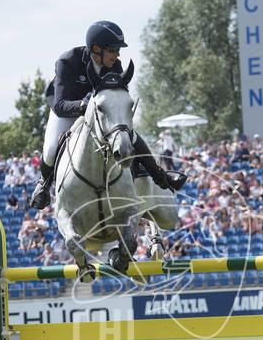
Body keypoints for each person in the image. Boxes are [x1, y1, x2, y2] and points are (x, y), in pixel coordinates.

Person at [31, 21, 186, 209]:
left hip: (99, 113)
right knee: (50, 149)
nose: (118, 54)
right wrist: (82, 105)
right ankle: (43, 184)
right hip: (67, 110)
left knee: (128, 135)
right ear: (96, 49)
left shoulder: (115, 66)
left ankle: (160, 176)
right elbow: (60, 104)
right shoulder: (68, 61)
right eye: (113, 49)